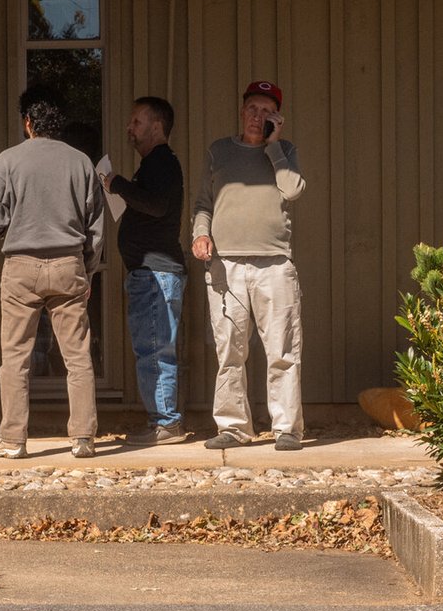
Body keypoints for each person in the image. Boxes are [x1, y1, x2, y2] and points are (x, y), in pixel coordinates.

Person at [0, 88, 105, 460]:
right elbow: (96, 226)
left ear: (28, 122)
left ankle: (13, 439)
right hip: (68, 263)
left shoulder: (8, 160)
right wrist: (88, 269)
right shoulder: (80, 162)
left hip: (21, 264)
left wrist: (9, 230)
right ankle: (83, 437)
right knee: (77, 356)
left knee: (15, 356)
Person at [191, 79, 307, 450]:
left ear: (277, 118)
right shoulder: (219, 150)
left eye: (267, 111)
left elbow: (292, 190)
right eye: (253, 109)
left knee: (282, 351)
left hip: (274, 264)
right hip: (226, 264)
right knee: (229, 350)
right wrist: (200, 234)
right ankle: (233, 427)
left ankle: (287, 428)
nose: (258, 116)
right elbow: (203, 204)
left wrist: (273, 147)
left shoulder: (285, 150)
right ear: (242, 112)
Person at [105, 96, 187, 445]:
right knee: (151, 348)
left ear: (157, 126)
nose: (130, 128)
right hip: (150, 274)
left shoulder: (161, 161)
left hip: (156, 274)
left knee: (155, 349)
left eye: (136, 122)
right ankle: (162, 420)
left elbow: (155, 205)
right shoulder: (153, 164)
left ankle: (166, 423)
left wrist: (117, 184)